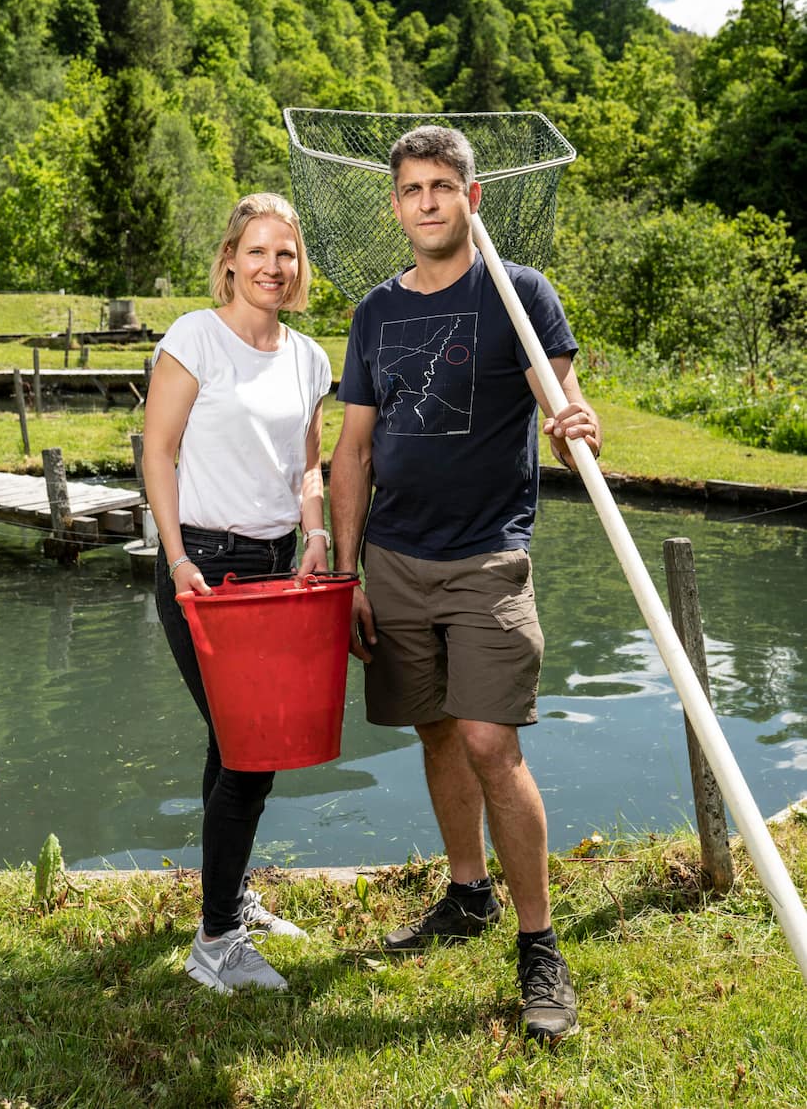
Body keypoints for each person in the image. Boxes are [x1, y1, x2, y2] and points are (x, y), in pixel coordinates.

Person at [329, 125, 600, 1043]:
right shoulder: (374, 312)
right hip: (394, 559)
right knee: (437, 730)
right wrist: (345, 571)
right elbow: (353, 451)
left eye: (444, 185)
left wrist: (575, 420)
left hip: (488, 555)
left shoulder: (519, 294)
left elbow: (559, 397)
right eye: (412, 189)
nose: (428, 201)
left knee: (491, 741)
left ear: (471, 198)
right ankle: (465, 895)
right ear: (396, 206)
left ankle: (539, 943)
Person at [143, 191, 332, 993]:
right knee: (251, 754)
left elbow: (309, 466)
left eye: (284, 254)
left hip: (277, 573)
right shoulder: (195, 338)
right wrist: (177, 556)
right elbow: (157, 452)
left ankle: (225, 904)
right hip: (203, 572)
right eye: (257, 251)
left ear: (298, 266)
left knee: (238, 748)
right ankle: (216, 940)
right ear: (229, 259)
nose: (271, 267)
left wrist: (316, 534)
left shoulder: (309, 358)